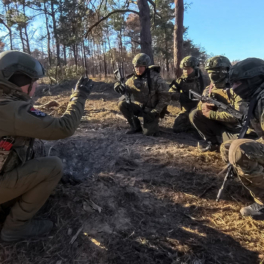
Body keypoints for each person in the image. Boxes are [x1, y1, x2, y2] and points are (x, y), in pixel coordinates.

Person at [0, 50, 93, 241]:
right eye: (34, 81)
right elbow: (64, 128)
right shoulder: (10, 109)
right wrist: (79, 96)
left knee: (34, 151)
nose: (37, 85)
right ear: (21, 82)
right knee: (53, 166)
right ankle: (14, 228)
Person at [220, 58, 264, 217]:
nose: (233, 88)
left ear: (252, 80)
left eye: (237, 83)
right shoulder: (256, 96)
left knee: (240, 150)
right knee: (227, 147)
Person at [189, 55, 243, 152]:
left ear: (226, 70)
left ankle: (225, 143)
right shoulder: (209, 89)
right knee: (195, 114)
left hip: (237, 131)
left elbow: (239, 116)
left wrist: (212, 114)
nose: (212, 74)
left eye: (217, 70)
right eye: (210, 71)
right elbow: (200, 107)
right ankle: (213, 142)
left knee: (239, 150)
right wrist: (203, 106)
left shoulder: (237, 89)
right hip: (220, 126)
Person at [114, 53, 169, 136]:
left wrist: (156, 111)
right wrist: (117, 85)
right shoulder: (131, 79)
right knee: (122, 104)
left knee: (148, 133)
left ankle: (151, 124)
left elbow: (165, 96)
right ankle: (135, 126)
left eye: (141, 67)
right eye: (136, 67)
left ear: (146, 66)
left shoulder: (155, 78)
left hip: (151, 111)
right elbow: (125, 90)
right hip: (139, 107)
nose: (138, 69)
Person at [169, 56, 204, 132]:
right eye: (184, 69)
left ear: (195, 68)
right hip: (187, 110)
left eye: (188, 69)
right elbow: (171, 92)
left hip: (202, 110)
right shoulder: (180, 80)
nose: (186, 71)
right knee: (177, 128)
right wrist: (182, 97)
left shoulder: (204, 80)